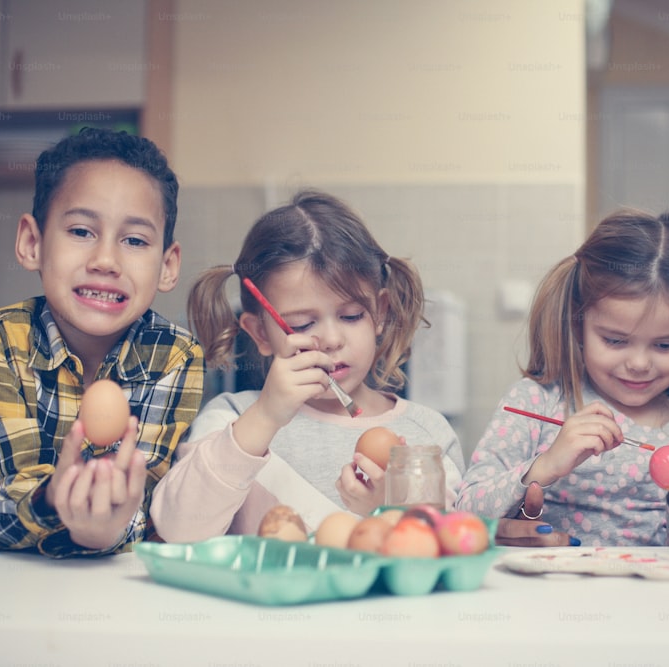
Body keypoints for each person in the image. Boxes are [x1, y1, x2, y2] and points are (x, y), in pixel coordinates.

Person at [150, 189, 464, 541]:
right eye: (301, 325)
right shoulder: (231, 419)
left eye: (351, 315)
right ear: (261, 334)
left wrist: (389, 510)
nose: (331, 339)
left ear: (380, 313)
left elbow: (452, 544)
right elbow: (179, 529)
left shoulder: (426, 435)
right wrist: (265, 417)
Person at [0, 128, 205, 557]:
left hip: (125, 587)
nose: (105, 261)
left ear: (166, 266)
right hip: (14, 584)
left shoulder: (175, 356)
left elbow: (148, 505)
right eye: (82, 231)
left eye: (135, 241)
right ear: (32, 243)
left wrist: (110, 526)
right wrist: (54, 498)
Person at [455, 210, 669, 546]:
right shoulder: (535, 401)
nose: (638, 363)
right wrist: (543, 467)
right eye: (615, 340)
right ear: (578, 323)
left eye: (665, 345)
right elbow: (466, 512)